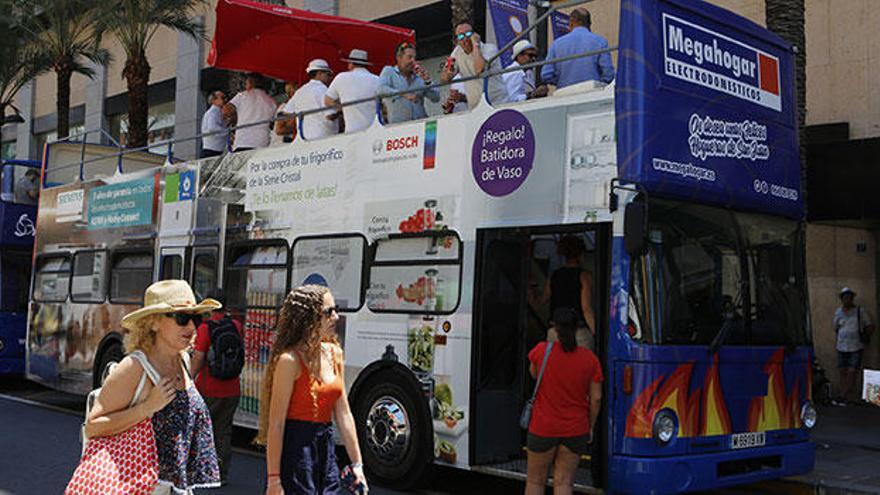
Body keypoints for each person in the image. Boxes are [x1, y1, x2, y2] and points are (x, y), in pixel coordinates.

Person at [84, 280, 221, 494]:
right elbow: (93, 426)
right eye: (182, 318)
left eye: (196, 318)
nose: (192, 327)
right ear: (154, 323)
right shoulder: (134, 367)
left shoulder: (183, 360)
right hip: (137, 487)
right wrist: (147, 407)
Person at [258, 285, 367, 494]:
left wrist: (357, 465)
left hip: (325, 445)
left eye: (336, 309)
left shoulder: (334, 354)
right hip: (296, 449)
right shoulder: (289, 361)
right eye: (328, 312)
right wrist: (273, 480)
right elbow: (277, 424)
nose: (336, 317)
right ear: (308, 318)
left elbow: (344, 414)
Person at [525, 307, 602, 495]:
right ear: (577, 328)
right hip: (576, 429)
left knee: (536, 481)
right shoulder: (590, 360)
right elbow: (596, 398)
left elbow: (534, 375)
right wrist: (590, 427)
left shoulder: (541, 351)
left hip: (543, 427)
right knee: (564, 483)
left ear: (554, 328)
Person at [190, 289, 243, 486]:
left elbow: (198, 358)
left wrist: (188, 380)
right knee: (224, 430)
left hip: (209, 389)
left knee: (203, 430)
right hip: (233, 389)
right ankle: (222, 474)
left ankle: (202, 471)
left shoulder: (205, 328)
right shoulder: (236, 325)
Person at [439, 23, 509, 108]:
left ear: (475, 35)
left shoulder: (489, 48)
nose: (465, 39)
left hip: (498, 103)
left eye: (468, 34)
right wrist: (448, 73)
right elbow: (443, 80)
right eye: (460, 36)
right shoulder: (457, 52)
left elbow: (479, 69)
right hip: (475, 107)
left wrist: (476, 45)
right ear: (457, 40)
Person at [541, 8, 615, 89]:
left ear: (571, 23)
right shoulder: (600, 42)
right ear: (589, 24)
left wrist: (562, 82)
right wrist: (598, 84)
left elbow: (546, 75)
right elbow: (609, 74)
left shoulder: (556, 44)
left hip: (564, 94)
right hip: (592, 94)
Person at [544, 235, 595, 349]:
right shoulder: (584, 276)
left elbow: (542, 300)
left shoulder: (554, 276)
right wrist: (595, 332)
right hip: (578, 333)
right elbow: (586, 308)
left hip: (555, 331)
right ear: (581, 255)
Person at [378, 42, 440, 123]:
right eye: (409, 57)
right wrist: (403, 94)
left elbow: (436, 98)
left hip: (421, 124)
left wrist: (427, 81)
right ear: (399, 57)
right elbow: (381, 90)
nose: (413, 61)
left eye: (414, 58)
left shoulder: (419, 76)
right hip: (400, 128)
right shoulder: (389, 71)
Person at [832, 287, 874, 406]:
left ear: (852, 298)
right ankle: (844, 394)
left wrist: (865, 336)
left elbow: (870, 325)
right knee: (842, 371)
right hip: (841, 346)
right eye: (844, 298)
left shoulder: (860, 311)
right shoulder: (838, 312)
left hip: (856, 346)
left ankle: (843, 395)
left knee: (852, 371)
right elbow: (835, 327)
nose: (847, 300)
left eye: (849, 297)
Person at [324, 49, 381, 133]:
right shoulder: (377, 79)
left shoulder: (341, 77)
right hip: (373, 130)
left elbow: (327, 101)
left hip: (351, 130)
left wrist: (342, 107)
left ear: (351, 64)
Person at [282, 59, 339, 140]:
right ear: (319, 73)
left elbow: (286, 113)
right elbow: (330, 115)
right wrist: (340, 109)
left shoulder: (300, 91)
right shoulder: (324, 91)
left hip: (303, 139)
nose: (330, 77)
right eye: (328, 74)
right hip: (324, 137)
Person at [226, 73, 278, 151]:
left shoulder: (242, 96)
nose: (245, 86)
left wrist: (234, 118)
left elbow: (226, 110)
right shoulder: (272, 102)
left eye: (246, 83)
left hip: (243, 140)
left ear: (250, 83)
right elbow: (273, 123)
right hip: (262, 142)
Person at [200, 90, 228, 158]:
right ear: (214, 100)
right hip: (213, 150)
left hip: (213, 149)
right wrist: (228, 132)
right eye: (222, 98)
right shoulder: (214, 111)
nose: (225, 100)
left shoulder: (215, 112)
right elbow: (212, 128)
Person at [272, 81, 298, 146]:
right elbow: (279, 130)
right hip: (280, 145)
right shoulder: (284, 108)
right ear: (292, 93)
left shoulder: (296, 106)